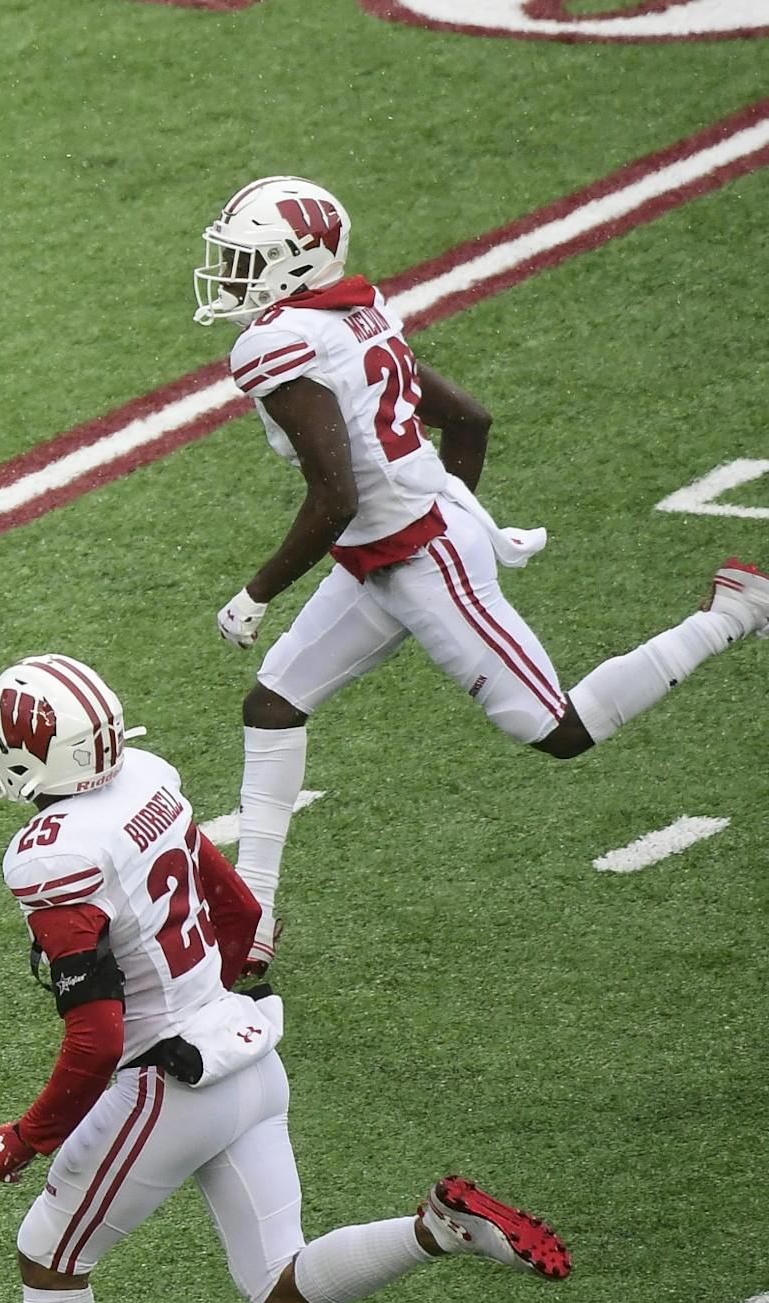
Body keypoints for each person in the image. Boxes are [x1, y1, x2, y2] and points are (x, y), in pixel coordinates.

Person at [0, 654, 569, 1303]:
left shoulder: (52, 854)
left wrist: (27, 1136)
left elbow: (97, 1037)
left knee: (49, 1259)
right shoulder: (148, 780)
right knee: (280, 1288)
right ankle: (437, 1230)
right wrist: (208, 985)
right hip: (247, 1055)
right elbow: (240, 912)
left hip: (171, 1084)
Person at [192, 176, 769, 968]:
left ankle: (733, 611)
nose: (230, 276)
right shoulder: (353, 313)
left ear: (295, 263)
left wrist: (258, 591)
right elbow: (468, 419)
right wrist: (435, 505)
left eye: (246, 260)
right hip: (395, 550)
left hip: (422, 556)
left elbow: (336, 495)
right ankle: (253, 922)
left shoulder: (280, 343)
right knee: (273, 704)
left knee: (558, 731)